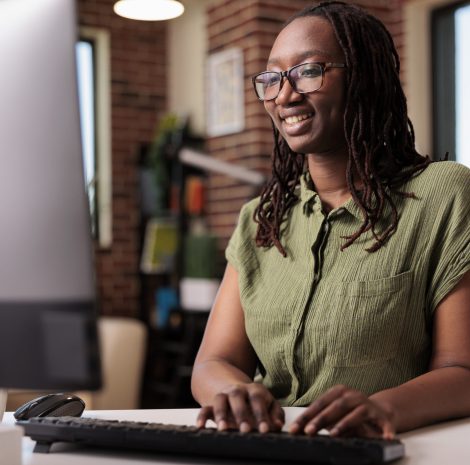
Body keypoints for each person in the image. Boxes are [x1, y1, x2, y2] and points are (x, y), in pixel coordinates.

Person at [191, 1, 470, 439]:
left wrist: (380, 409)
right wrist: (235, 393)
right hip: (269, 448)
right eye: (272, 78)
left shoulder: (444, 195)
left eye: (308, 71)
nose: (284, 95)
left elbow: (462, 370)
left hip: (388, 449)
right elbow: (214, 362)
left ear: (364, 80)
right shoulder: (260, 219)